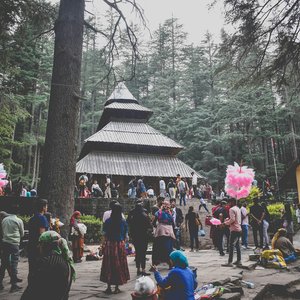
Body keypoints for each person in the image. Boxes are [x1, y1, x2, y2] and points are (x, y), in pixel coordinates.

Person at [21, 231, 75, 300]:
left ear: (46, 245)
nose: (38, 246)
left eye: (40, 243)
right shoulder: (65, 260)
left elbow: (32, 289)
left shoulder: (47, 262)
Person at [100, 203, 130, 294]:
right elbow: (125, 235)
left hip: (110, 244)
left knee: (109, 264)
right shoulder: (123, 222)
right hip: (120, 244)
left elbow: (104, 234)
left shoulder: (108, 221)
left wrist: (102, 245)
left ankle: (108, 287)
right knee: (119, 264)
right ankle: (117, 287)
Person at [127, 200, 152, 276]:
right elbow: (150, 226)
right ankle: (143, 269)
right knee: (143, 253)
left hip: (135, 236)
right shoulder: (145, 215)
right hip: (144, 236)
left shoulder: (132, 215)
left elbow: (127, 222)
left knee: (137, 252)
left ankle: (138, 269)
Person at [0, 211, 24, 292]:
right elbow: (22, 233)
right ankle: (14, 286)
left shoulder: (4, 220)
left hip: (5, 244)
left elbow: (2, 233)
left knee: (3, 264)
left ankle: (0, 284)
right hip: (14, 244)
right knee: (14, 263)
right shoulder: (18, 220)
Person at [28, 199, 49, 280]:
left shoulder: (32, 218)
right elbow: (42, 235)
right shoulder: (42, 218)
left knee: (32, 268)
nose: (47, 208)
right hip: (38, 247)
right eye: (46, 206)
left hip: (31, 245)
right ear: (43, 207)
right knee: (39, 268)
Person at [152, 201, 175, 267]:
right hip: (169, 232)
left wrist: (158, 226)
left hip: (160, 231)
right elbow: (173, 223)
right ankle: (170, 264)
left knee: (157, 248)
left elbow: (153, 222)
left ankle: (155, 264)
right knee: (169, 248)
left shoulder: (159, 212)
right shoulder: (170, 213)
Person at [222, 198, 242, 267]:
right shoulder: (238, 209)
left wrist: (225, 223)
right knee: (237, 245)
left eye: (229, 202)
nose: (228, 204)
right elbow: (235, 219)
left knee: (231, 246)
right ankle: (239, 260)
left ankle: (230, 262)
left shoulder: (232, 209)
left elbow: (233, 219)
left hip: (234, 229)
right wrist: (228, 220)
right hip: (239, 228)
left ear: (232, 202)